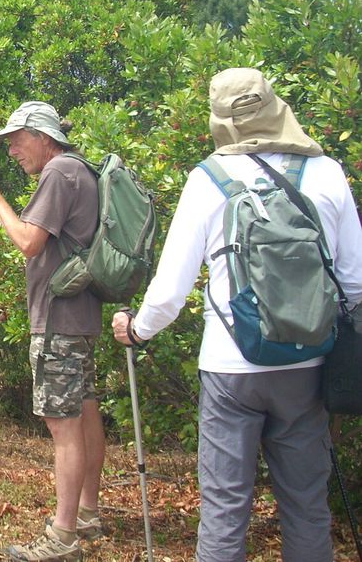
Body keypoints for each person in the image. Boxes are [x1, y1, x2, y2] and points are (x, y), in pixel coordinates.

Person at [111, 68, 362, 562]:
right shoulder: (326, 172)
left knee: (226, 507)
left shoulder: (208, 180)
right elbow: (353, 281)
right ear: (274, 107)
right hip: (307, 367)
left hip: (231, 369)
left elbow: (170, 289)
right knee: (308, 507)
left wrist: (137, 330)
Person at [0, 102, 105, 562]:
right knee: (84, 413)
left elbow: (28, 242)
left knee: (62, 425)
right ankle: (86, 513)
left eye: (16, 141)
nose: (11, 151)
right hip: (80, 316)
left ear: (42, 136)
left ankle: (62, 537)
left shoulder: (59, 173)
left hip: (60, 320)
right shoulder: (80, 169)